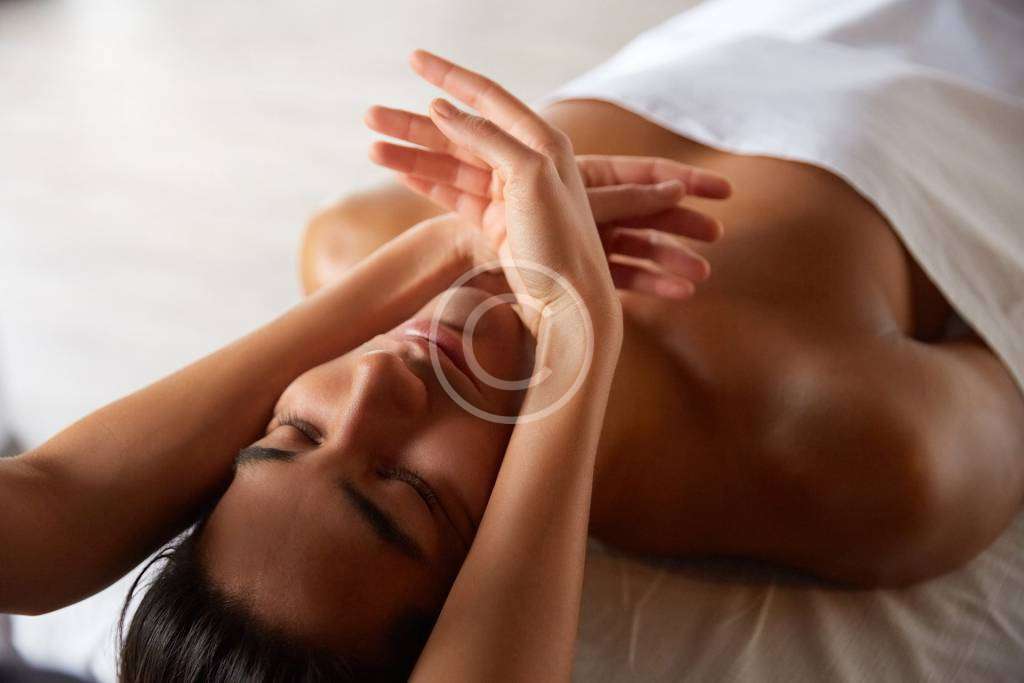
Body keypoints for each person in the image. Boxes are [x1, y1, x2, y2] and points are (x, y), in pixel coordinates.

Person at [4, 4, 1024, 680]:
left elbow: (46, 506)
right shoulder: (865, 464)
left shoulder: (361, 243)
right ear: (493, 575)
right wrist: (570, 330)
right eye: (405, 487)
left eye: (290, 434)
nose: (375, 385)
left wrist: (451, 248)